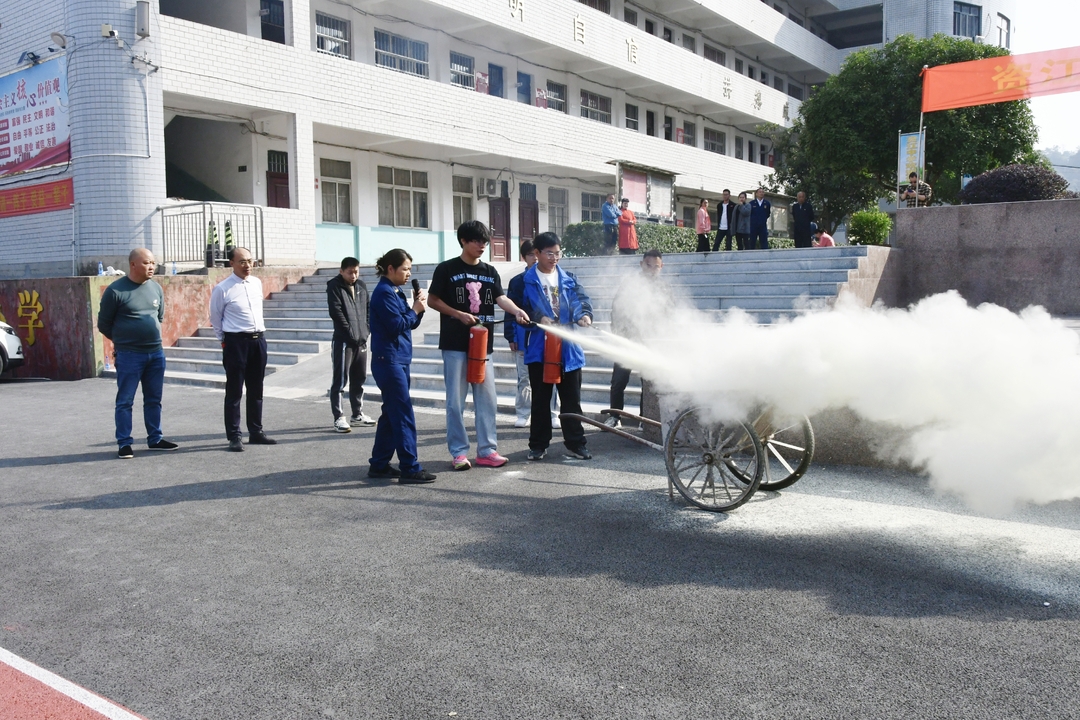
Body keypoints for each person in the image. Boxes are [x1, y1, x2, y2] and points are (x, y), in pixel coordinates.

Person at [428, 220, 531, 471]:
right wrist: (457, 314)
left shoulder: (489, 271)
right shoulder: (446, 269)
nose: (482, 245)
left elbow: (500, 297)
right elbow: (432, 300)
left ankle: (487, 450)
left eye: (485, 241)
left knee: (487, 399)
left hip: (483, 345)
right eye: (477, 240)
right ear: (463, 241)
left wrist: (517, 311)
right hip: (454, 344)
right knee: (455, 401)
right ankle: (459, 453)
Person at [97, 248, 178, 459]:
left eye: (153, 263)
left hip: (155, 354)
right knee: (125, 401)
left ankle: (155, 439)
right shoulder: (116, 291)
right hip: (129, 355)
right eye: (146, 263)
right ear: (133, 265)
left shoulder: (156, 289)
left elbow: (158, 317)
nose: (151, 267)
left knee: (154, 399)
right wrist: (124, 340)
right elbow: (104, 324)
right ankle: (124, 443)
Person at [520, 232, 594, 461]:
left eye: (558, 253)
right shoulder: (523, 281)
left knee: (571, 399)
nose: (554, 258)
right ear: (537, 254)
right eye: (549, 253)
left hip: (568, 348)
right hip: (540, 349)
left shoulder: (569, 278)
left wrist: (584, 316)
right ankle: (538, 445)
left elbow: (581, 301)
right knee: (541, 400)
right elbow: (518, 307)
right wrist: (537, 317)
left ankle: (576, 443)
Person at [367, 249, 436, 484]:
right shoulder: (383, 293)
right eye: (405, 269)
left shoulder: (395, 291)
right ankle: (410, 467)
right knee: (403, 413)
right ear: (390, 269)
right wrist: (415, 309)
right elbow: (397, 325)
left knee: (391, 413)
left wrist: (418, 308)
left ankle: (379, 464)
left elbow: (409, 323)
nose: (409, 274)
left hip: (399, 359)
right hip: (389, 361)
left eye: (410, 269)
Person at [210, 246, 275, 452]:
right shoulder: (223, 288)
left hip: (258, 341)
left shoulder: (256, 283)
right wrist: (224, 341)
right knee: (235, 391)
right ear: (232, 263)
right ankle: (234, 435)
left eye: (250, 260)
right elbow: (215, 318)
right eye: (242, 261)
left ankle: (256, 431)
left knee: (256, 389)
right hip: (236, 342)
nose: (248, 265)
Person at [605, 249, 666, 428]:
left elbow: (668, 313)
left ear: (662, 267)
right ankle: (615, 416)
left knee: (647, 383)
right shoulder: (629, 284)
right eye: (648, 265)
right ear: (641, 265)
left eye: (656, 266)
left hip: (650, 342)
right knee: (618, 381)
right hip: (627, 340)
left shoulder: (663, 288)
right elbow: (617, 308)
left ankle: (643, 418)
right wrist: (617, 333)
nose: (652, 269)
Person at [504, 240, 559, 430]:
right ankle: (523, 412)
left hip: (550, 338)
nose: (535, 259)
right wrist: (511, 336)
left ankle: (553, 413)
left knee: (551, 374)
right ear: (524, 257)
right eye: (530, 255)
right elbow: (510, 310)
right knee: (524, 378)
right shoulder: (518, 281)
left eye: (537, 254)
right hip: (524, 337)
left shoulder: (553, 279)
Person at [327, 256, 375, 433]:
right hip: (343, 342)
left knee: (359, 378)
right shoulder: (334, 286)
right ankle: (339, 417)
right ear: (341, 271)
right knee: (340, 380)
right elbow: (336, 313)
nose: (353, 275)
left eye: (356, 271)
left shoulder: (361, 286)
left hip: (361, 340)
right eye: (350, 272)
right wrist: (351, 334)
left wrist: (366, 330)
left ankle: (357, 414)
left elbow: (368, 310)